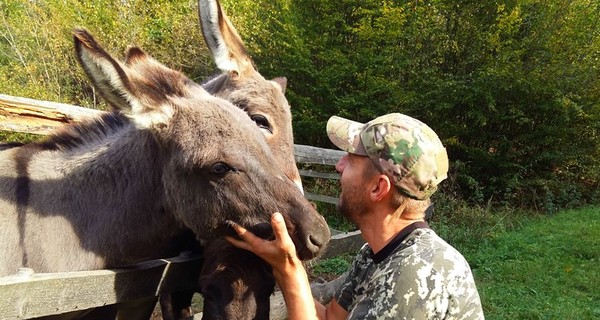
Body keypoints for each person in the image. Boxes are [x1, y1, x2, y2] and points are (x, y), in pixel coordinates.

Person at [226, 113, 485, 319]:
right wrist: (284, 264)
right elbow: (329, 318)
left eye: (350, 160)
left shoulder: (414, 276)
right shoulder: (375, 254)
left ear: (378, 188)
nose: (339, 166)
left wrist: (287, 266)